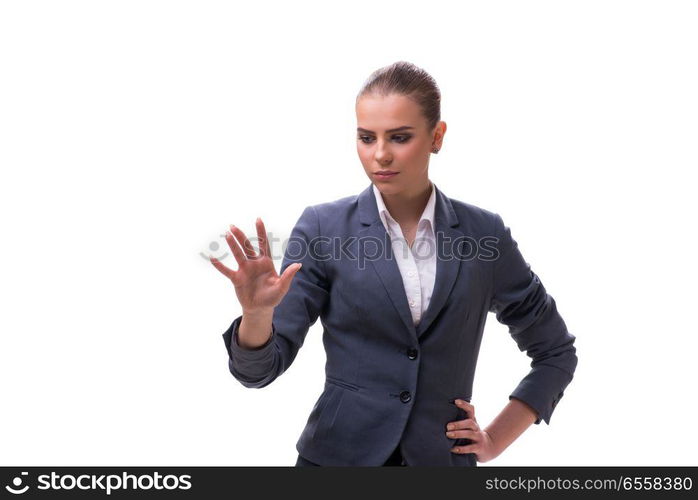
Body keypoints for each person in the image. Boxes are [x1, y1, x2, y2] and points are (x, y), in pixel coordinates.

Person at [211, 61, 578, 467]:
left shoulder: (483, 235)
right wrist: (257, 315)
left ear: (437, 137)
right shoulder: (323, 227)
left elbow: (555, 352)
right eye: (366, 138)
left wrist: (494, 439)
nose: (380, 154)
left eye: (399, 137)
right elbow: (258, 371)